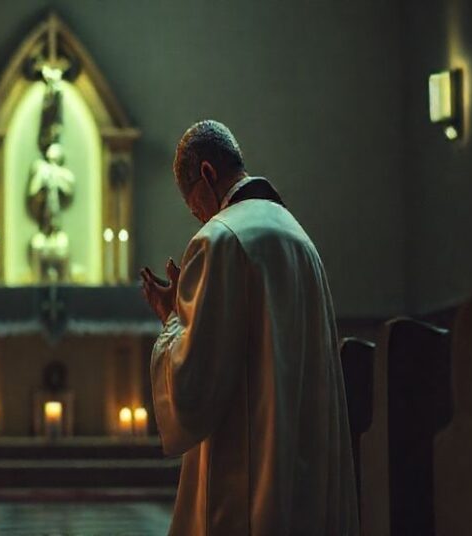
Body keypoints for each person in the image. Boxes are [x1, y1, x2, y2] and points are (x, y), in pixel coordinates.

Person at [141, 120, 359, 535]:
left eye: (196, 207)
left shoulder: (218, 239)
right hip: (306, 470)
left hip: (248, 478)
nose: (201, 218)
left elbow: (191, 387)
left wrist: (170, 318)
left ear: (207, 175)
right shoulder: (300, 239)